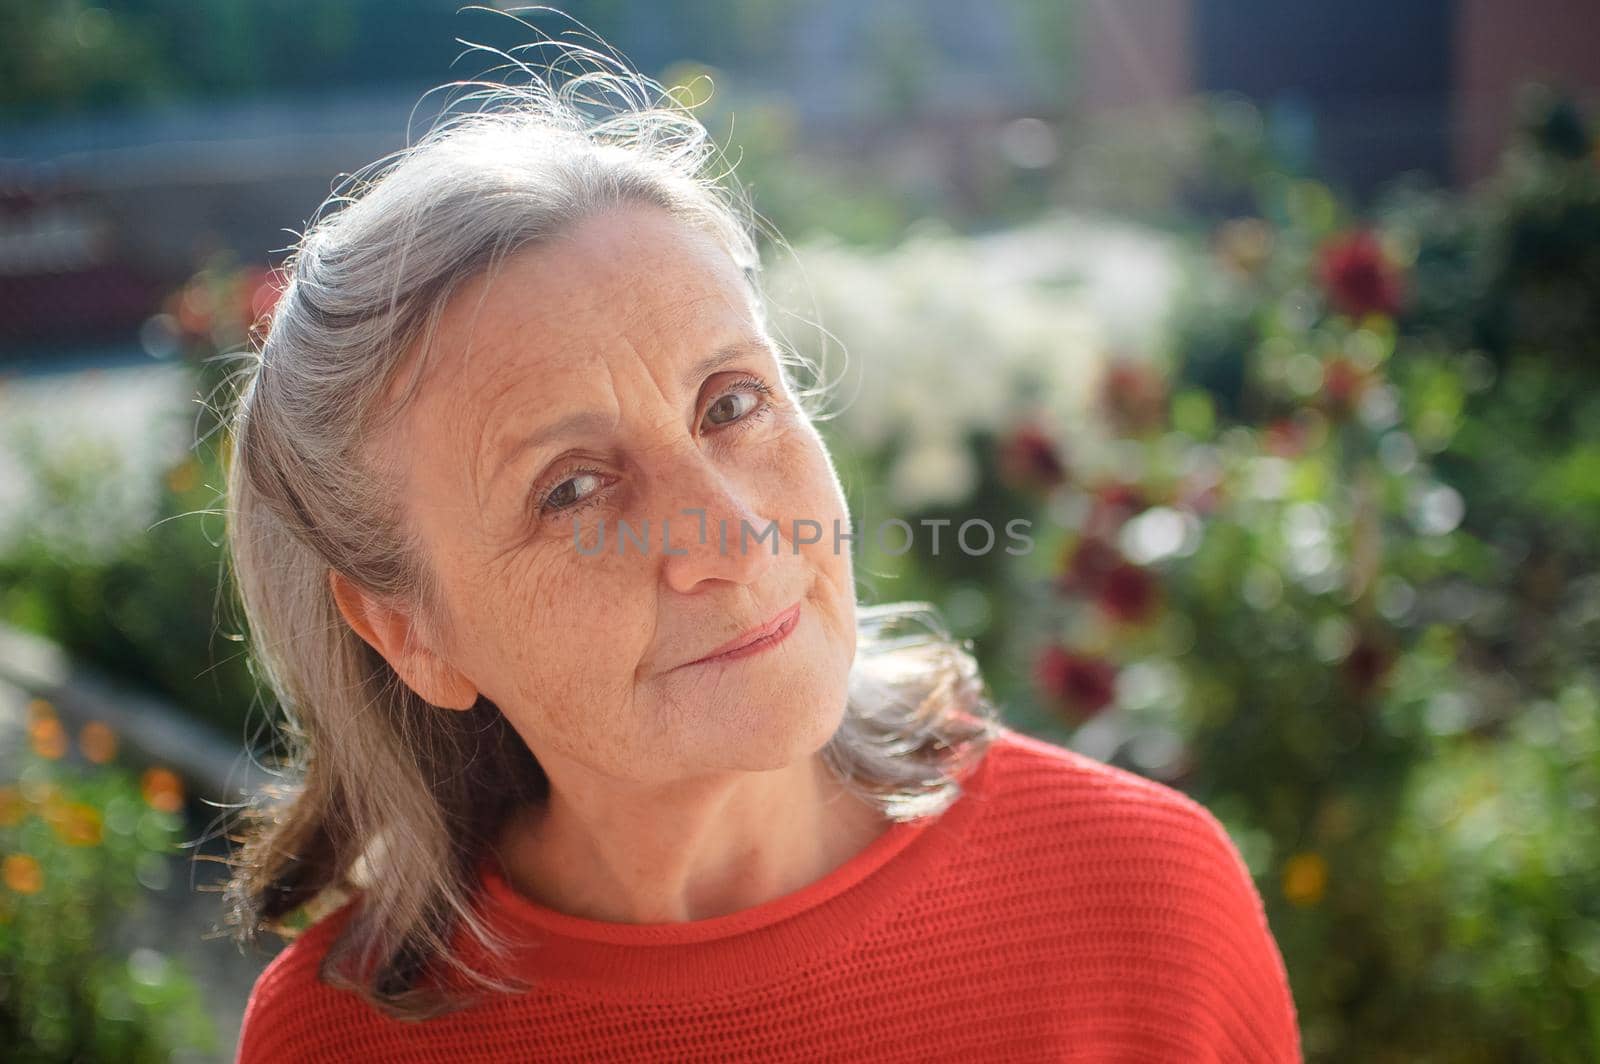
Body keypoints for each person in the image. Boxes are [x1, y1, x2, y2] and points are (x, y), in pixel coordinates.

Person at [223, 26, 1302, 1064]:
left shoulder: (1145, 896)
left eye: (732, 402)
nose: (735, 533)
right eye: (573, 488)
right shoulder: (337, 1040)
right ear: (410, 629)